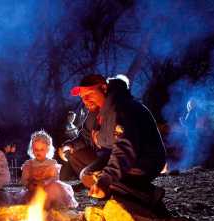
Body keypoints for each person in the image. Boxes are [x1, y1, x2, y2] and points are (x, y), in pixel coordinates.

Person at [69, 74, 166, 207]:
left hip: (143, 162)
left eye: (89, 94)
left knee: (104, 179)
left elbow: (124, 149)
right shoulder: (95, 111)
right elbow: (85, 135)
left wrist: (105, 179)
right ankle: (115, 190)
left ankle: (146, 193)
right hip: (112, 155)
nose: (85, 100)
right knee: (81, 167)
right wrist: (70, 145)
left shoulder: (123, 109)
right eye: (82, 97)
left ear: (103, 88)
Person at [21, 130, 78, 209]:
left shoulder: (51, 163)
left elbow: (55, 178)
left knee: (54, 188)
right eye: (36, 149)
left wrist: (44, 182)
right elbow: (24, 179)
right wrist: (28, 185)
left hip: (49, 188)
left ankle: (53, 206)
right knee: (31, 201)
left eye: (42, 149)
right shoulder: (29, 164)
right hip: (34, 189)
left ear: (47, 150)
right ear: (32, 149)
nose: (38, 152)